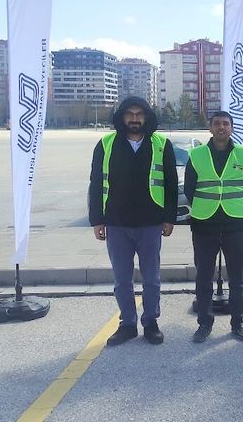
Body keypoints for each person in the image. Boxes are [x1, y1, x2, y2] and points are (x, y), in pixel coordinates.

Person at [88, 96, 178, 346]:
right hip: (117, 223)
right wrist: (97, 219)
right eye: (130, 114)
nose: (135, 118)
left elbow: (171, 183)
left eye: (140, 114)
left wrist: (169, 218)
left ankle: (151, 322)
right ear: (122, 117)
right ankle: (127, 324)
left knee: (151, 278)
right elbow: (96, 183)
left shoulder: (161, 144)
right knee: (122, 279)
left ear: (147, 117)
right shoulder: (106, 144)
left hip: (151, 223)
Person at [185, 111, 243, 342]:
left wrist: (233, 205)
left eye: (226, 124)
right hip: (204, 223)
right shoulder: (196, 155)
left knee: (237, 277)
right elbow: (189, 189)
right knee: (203, 276)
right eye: (217, 124)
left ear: (232, 127)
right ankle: (204, 324)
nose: (222, 127)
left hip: (235, 223)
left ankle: (238, 323)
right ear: (210, 128)